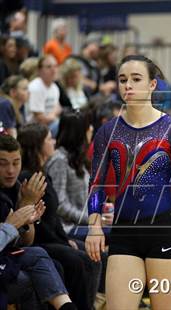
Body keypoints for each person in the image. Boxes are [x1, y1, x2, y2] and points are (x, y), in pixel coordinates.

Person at [85, 54, 171, 310]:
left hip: (162, 230)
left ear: (152, 85)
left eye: (135, 79)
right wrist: (94, 226)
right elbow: (96, 184)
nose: (128, 86)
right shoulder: (107, 131)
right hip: (124, 232)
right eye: (122, 80)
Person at [18, 123, 101, 309]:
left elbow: (52, 216)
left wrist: (64, 239)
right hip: (38, 240)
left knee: (89, 256)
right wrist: (64, 241)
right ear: (38, 144)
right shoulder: (29, 178)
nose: (53, 141)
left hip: (54, 236)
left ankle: (89, 304)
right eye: (49, 138)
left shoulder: (43, 172)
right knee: (76, 259)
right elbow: (40, 224)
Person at [0, 133, 76, 309]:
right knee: (70, 261)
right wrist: (11, 225)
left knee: (40, 254)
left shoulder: (19, 186)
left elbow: (26, 241)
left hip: (13, 251)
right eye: (3, 164)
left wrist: (27, 216)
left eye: (15, 163)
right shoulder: (36, 174)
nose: (11, 170)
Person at [27, 55, 62, 137]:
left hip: (50, 124)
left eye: (55, 66)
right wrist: (54, 115)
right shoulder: (36, 87)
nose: (53, 70)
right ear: (39, 70)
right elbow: (40, 119)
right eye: (49, 67)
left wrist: (52, 115)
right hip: (35, 129)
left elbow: (58, 107)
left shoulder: (54, 87)